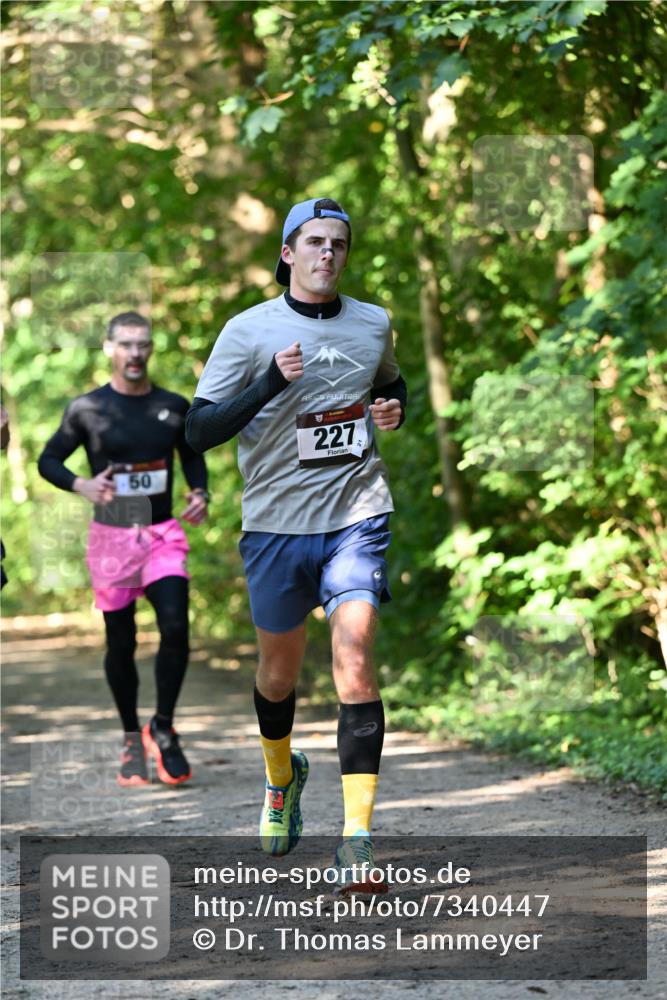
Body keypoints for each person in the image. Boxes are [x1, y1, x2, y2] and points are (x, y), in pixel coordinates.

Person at [186, 198, 407, 892]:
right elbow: (197, 433)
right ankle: (282, 777)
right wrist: (268, 382)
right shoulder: (248, 330)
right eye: (313, 242)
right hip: (276, 525)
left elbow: (390, 384)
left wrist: (394, 409)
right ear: (287, 252)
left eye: (338, 244)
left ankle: (358, 841)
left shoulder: (372, 323)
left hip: (356, 513)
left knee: (354, 664)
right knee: (277, 677)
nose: (327, 254)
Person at [38, 311, 208, 786]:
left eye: (143, 344)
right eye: (126, 344)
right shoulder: (87, 409)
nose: (135, 353)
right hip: (112, 535)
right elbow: (47, 459)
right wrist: (82, 485)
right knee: (121, 641)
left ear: (151, 349)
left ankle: (165, 728)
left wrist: (200, 491)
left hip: (162, 534)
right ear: (109, 348)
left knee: (176, 626)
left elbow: (191, 455)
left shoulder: (174, 406)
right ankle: (132, 736)